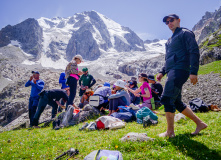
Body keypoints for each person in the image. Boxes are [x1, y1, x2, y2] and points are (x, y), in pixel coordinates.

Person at [156, 14, 207, 137]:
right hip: (172, 70)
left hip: (180, 69)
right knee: (177, 101)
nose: (169, 23)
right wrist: (162, 72)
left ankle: (170, 132)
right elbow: (168, 58)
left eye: (171, 20)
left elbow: (194, 51)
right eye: (167, 22)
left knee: (167, 98)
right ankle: (200, 123)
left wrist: (193, 71)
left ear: (178, 20)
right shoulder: (169, 40)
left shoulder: (185, 33)